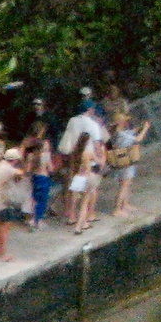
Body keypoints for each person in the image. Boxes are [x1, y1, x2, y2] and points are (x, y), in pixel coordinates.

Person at [57, 90, 105, 232]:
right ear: (89, 109)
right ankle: (88, 216)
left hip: (73, 157)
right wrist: (102, 158)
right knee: (90, 191)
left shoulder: (72, 121)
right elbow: (97, 145)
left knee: (74, 187)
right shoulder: (92, 125)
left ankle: (71, 214)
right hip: (88, 160)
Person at [105, 92, 149, 220]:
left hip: (126, 161)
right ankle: (117, 209)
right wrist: (145, 128)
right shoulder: (121, 135)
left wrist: (138, 128)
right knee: (124, 185)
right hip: (125, 161)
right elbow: (138, 139)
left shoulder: (119, 132)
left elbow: (132, 132)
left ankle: (125, 204)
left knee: (127, 183)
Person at [24, 129, 56, 231]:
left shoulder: (31, 156)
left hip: (34, 178)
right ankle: (39, 220)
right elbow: (51, 169)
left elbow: (28, 170)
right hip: (44, 178)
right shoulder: (46, 156)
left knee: (34, 199)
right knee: (42, 200)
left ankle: (32, 219)